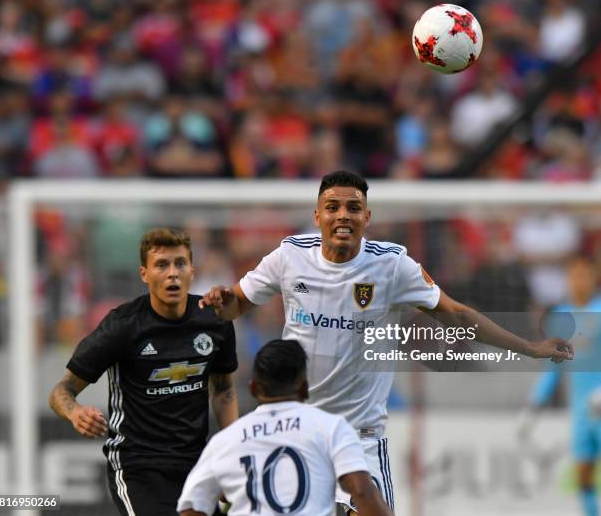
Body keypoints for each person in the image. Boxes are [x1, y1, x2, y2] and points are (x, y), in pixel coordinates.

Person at [200, 170, 574, 514]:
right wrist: (221, 300)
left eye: (353, 207)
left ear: (367, 217)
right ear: (317, 216)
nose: (342, 215)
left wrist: (530, 347)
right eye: (332, 207)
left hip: (358, 437)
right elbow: (236, 305)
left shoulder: (392, 265)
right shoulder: (290, 256)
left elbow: (457, 315)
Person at [49, 228, 239, 516]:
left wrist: (230, 451)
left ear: (192, 271)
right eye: (162, 265)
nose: (172, 273)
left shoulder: (214, 321)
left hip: (195, 463)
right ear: (144, 274)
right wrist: (75, 412)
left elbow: (223, 390)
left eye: (180, 264)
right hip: (138, 465)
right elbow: (61, 391)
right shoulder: (122, 326)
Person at [177, 339, 393, 516]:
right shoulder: (331, 429)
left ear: (253, 388)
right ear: (305, 388)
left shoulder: (227, 440)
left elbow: (192, 507)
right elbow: (363, 493)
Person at [520, 256, 601, 516]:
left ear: (593, 278)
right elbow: (553, 368)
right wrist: (534, 403)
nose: (580, 281)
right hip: (580, 411)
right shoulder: (559, 318)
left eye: (584, 275)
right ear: (568, 279)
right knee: (583, 477)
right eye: (574, 276)